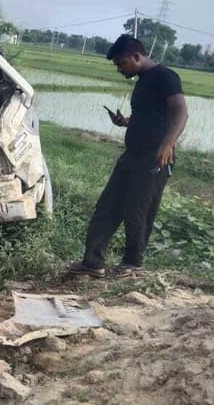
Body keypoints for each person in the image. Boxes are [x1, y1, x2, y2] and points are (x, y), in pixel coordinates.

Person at [65, 34, 188, 278]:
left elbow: (181, 112)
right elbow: (151, 116)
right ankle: (93, 262)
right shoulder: (143, 80)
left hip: (154, 157)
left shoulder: (166, 77)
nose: (119, 69)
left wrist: (168, 144)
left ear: (136, 56)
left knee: (138, 210)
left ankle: (133, 263)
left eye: (121, 63)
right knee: (107, 206)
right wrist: (126, 122)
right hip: (133, 154)